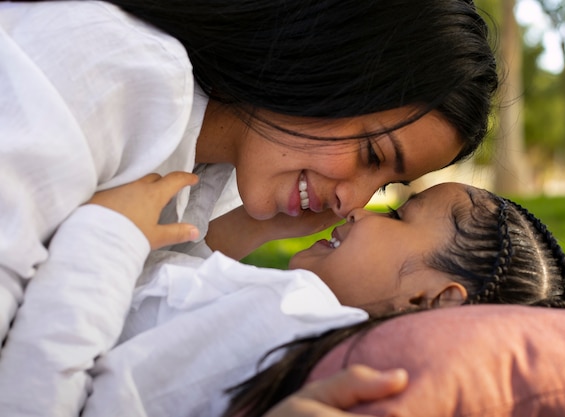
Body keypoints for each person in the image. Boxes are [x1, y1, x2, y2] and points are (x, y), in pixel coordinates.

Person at [1, 0, 498, 414]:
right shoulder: (108, 73)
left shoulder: (210, 169)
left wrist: (249, 227)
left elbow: (134, 309)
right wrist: (108, 236)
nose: (354, 203)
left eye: (388, 186)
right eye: (372, 155)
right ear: (329, 64)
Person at [18, 175, 565, 417]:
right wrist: (255, 226)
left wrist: (106, 235)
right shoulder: (300, 327)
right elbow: (167, 301)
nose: (358, 209)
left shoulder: (296, 318)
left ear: (433, 300)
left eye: (401, 214)